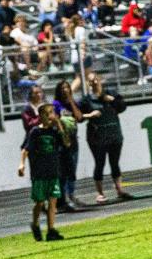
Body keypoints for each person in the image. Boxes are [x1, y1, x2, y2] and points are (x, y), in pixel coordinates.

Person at [18, 104, 69, 241]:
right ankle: (35, 224)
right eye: (46, 113)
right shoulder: (35, 132)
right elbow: (26, 150)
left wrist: (59, 124)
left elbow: (67, 143)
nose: (49, 116)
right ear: (40, 116)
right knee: (40, 203)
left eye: (51, 112)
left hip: (53, 171)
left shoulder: (54, 132)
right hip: (39, 173)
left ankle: (51, 230)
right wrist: (22, 164)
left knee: (53, 202)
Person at [80, 72, 133, 204]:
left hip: (114, 133)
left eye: (96, 80)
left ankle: (120, 190)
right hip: (97, 137)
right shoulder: (87, 100)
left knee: (115, 163)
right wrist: (89, 115)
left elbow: (123, 107)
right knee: (100, 163)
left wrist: (112, 100)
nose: (95, 83)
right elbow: (78, 116)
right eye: (91, 81)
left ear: (100, 80)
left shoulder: (111, 93)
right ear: (88, 84)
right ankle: (100, 193)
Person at [53, 81, 84, 211]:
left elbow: (79, 117)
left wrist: (71, 101)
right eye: (62, 88)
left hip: (73, 140)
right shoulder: (56, 104)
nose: (65, 90)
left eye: (67, 87)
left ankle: (71, 195)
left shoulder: (73, 103)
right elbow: (56, 119)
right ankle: (62, 199)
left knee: (72, 170)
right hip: (61, 141)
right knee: (63, 172)